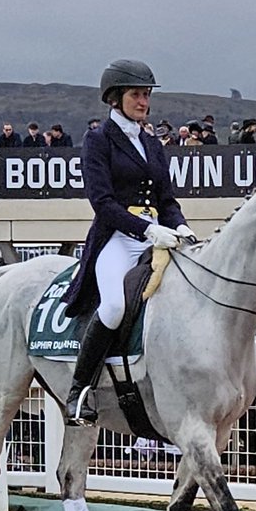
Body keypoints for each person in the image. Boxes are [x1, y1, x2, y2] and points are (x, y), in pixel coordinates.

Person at [59, 59, 196, 426]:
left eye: (147, 94)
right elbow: (102, 203)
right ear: (116, 97)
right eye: (137, 94)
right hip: (117, 238)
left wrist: (180, 227)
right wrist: (148, 230)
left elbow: (166, 199)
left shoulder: (151, 142)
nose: (144, 101)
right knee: (116, 306)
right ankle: (79, 391)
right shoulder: (98, 139)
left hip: (157, 235)